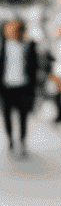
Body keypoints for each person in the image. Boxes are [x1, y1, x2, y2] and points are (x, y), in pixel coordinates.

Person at [1, 19, 40, 154]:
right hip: (6, 87)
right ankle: (11, 139)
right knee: (7, 116)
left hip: (24, 86)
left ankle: (22, 141)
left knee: (23, 116)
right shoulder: (2, 46)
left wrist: (35, 89)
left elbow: (35, 68)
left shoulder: (29, 45)